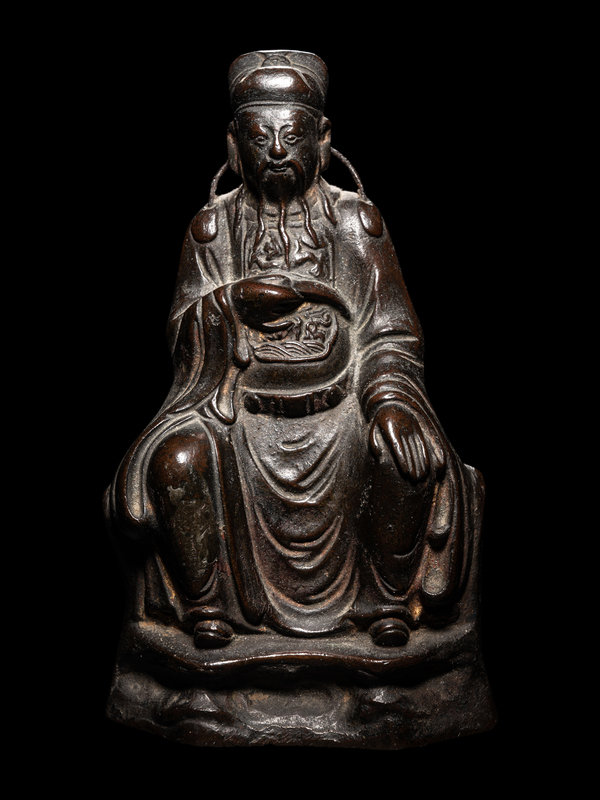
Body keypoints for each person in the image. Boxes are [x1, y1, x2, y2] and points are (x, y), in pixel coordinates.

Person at [106, 50, 483, 650]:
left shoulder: (355, 224)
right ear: (234, 145)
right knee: (175, 462)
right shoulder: (212, 230)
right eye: (260, 137)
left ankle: (384, 601)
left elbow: (390, 332)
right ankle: (209, 606)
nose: (278, 150)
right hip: (236, 416)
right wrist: (231, 302)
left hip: (341, 413)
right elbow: (182, 336)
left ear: (324, 139)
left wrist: (387, 399)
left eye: (293, 134)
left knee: (402, 452)